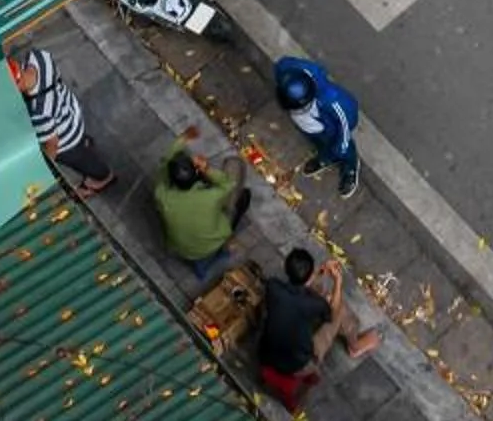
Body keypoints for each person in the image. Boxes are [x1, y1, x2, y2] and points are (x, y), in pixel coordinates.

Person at [253, 247, 380, 397]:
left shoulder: (273, 286)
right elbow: (332, 311)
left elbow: (301, 287)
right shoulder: (313, 304)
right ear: (308, 277)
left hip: (267, 352)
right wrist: (338, 282)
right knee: (340, 312)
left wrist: (319, 272)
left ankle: (353, 342)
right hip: (298, 364)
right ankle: (355, 346)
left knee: (314, 301)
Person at [7, 45, 114, 195]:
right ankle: (83, 143)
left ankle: (103, 178)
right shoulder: (38, 57)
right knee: (81, 147)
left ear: (18, 84)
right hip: (70, 111)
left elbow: (53, 143)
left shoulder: (38, 111)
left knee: (83, 161)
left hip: (66, 144)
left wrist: (46, 166)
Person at [153, 129, 252, 285]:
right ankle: (218, 255)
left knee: (198, 256)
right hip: (210, 245)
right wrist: (207, 169)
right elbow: (227, 184)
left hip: (179, 248)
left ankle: (202, 268)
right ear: (197, 173)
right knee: (234, 168)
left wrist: (182, 140)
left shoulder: (162, 194)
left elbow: (165, 164)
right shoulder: (210, 197)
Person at [273, 55, 362, 198]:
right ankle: (326, 158)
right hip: (310, 127)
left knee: (341, 148)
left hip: (327, 128)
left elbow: (345, 123)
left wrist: (341, 146)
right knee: (320, 143)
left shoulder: (331, 98)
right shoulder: (285, 69)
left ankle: (350, 166)